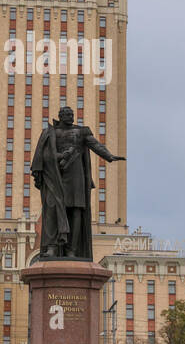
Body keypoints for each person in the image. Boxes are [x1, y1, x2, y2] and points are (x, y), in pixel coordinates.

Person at [31, 105, 124, 259]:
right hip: (55, 177)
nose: (71, 117)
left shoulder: (81, 131)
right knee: (52, 211)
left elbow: (95, 145)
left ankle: (72, 250)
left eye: (72, 114)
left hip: (76, 178)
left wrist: (109, 156)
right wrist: (61, 157)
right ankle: (52, 247)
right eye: (67, 114)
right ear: (60, 116)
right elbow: (43, 155)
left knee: (76, 212)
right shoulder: (50, 133)